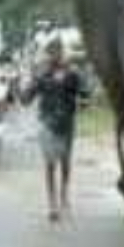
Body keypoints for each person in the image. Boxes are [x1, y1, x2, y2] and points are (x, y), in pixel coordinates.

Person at [22, 38, 88, 222]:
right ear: (47, 54)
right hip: (47, 124)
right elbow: (26, 99)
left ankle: (64, 194)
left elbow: (84, 92)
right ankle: (52, 204)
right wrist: (17, 85)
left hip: (67, 123)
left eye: (58, 51)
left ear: (63, 53)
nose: (55, 55)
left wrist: (84, 101)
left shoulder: (72, 74)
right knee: (50, 163)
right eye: (51, 52)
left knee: (65, 162)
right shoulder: (42, 75)